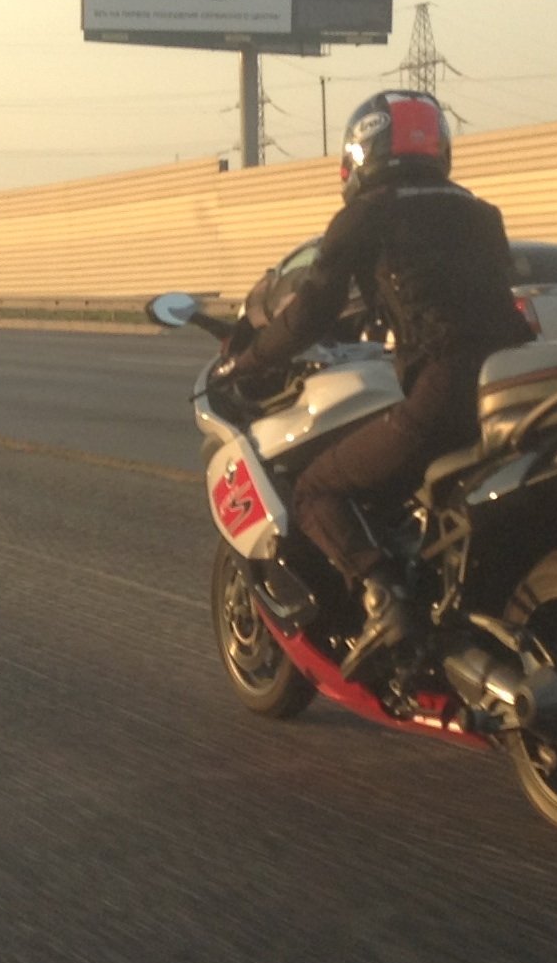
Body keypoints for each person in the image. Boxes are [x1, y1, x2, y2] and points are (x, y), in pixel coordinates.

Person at [220, 90, 527, 676]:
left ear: (362, 154)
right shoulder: (480, 214)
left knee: (315, 489)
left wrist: (250, 359)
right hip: (507, 387)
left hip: (443, 392)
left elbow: (311, 312)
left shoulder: (366, 215)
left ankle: (385, 596)